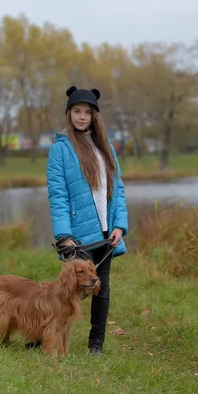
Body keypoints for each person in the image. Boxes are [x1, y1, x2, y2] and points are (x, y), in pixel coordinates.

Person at [47, 86, 128, 356]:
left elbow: (118, 190)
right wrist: (64, 235)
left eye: (87, 113)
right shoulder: (61, 150)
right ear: (69, 113)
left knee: (100, 287)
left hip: (107, 232)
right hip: (79, 234)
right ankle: (48, 333)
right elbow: (58, 196)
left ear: (95, 116)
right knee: (70, 288)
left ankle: (96, 344)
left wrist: (119, 226)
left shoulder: (106, 148)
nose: (82, 117)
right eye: (76, 111)